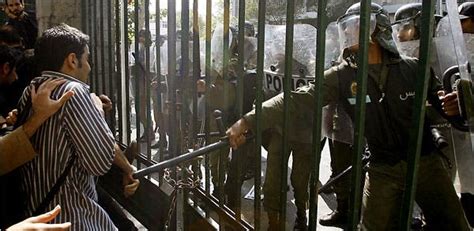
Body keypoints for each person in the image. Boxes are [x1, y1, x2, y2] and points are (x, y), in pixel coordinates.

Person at [227, 3, 471, 230]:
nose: (351, 31)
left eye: (357, 24)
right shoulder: (342, 76)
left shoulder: (413, 68)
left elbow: (451, 109)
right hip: (382, 167)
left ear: (378, 29)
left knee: (453, 224)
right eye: (348, 26)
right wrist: (247, 120)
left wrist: (454, 107)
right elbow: (295, 98)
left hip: (426, 162)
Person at [15, 24, 138, 230]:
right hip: (72, 218)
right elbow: (99, 164)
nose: (89, 67)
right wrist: (97, 112)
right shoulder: (74, 92)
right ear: (72, 60)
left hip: (37, 214)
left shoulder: (31, 90)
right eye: (87, 58)